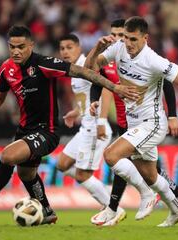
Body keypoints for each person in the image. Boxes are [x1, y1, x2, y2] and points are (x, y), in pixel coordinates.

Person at [0, 25, 138, 224]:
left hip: (48, 131)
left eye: (21, 46)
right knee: (26, 173)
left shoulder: (44, 64)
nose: (16, 51)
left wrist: (114, 87)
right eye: (12, 47)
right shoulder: (6, 68)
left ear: (31, 45)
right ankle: (47, 211)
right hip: (25, 130)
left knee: (8, 156)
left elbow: (84, 72)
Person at [85, 16, 178, 227]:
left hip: (153, 123)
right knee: (151, 174)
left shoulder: (154, 60)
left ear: (145, 38)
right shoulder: (119, 49)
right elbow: (89, 69)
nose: (128, 44)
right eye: (125, 39)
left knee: (111, 155)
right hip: (134, 123)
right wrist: (96, 48)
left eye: (133, 39)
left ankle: (145, 194)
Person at [56, 34, 118, 214]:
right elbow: (87, 98)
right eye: (62, 48)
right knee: (62, 164)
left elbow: (105, 89)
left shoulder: (87, 64)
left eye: (69, 47)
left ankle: (113, 209)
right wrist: (75, 112)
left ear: (79, 48)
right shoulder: (73, 70)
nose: (65, 52)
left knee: (83, 175)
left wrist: (101, 121)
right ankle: (103, 191)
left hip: (95, 127)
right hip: (85, 126)